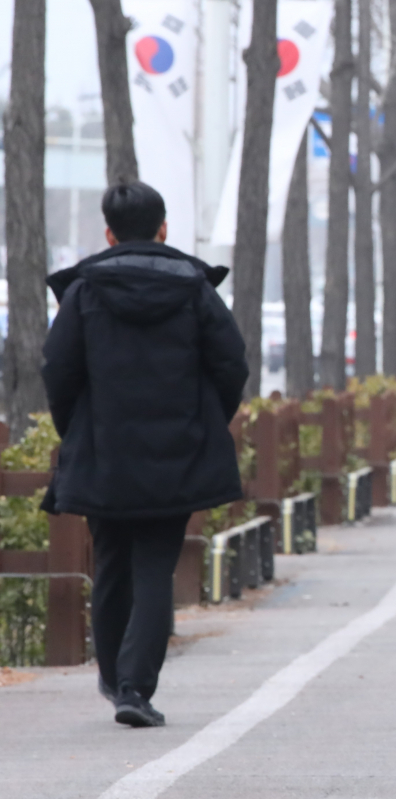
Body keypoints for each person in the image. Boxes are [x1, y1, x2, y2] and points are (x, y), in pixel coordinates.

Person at [42, 181, 249, 729]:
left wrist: (77, 429)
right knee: (156, 564)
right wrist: (205, 420)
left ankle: (114, 679)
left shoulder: (84, 291)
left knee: (110, 561)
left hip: (103, 451)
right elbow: (232, 364)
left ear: (108, 233)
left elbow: (57, 370)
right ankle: (137, 685)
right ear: (163, 229)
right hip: (177, 450)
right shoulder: (194, 289)